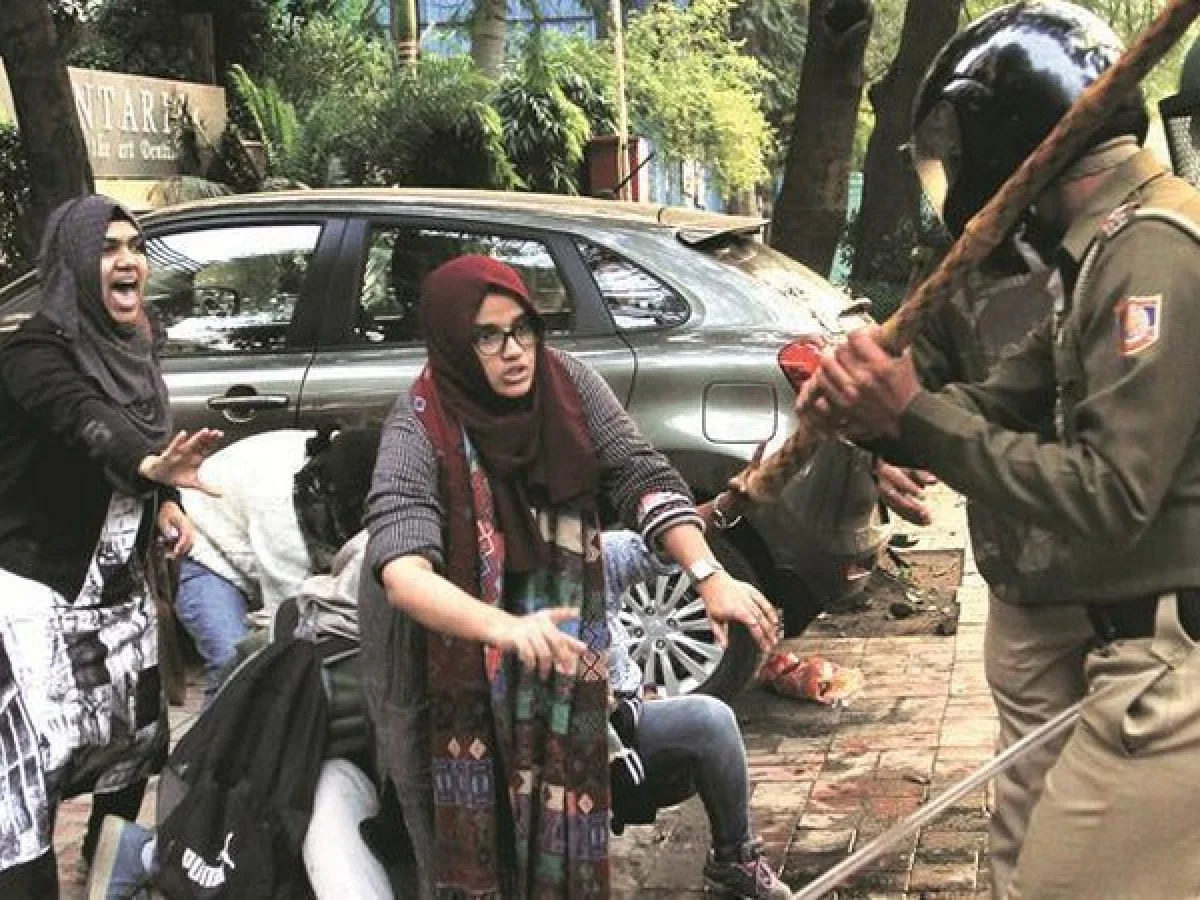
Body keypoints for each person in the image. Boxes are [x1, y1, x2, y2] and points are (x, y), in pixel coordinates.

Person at [803, 3, 1200, 897]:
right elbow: (1014, 388)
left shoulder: (1150, 252)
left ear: (1005, 139)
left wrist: (913, 415)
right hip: (1123, 638)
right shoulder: (1104, 250)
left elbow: (1111, 492)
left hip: (1166, 659)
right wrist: (884, 415)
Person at [361, 254, 781, 898]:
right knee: (472, 859)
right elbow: (402, 569)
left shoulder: (568, 385)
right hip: (456, 692)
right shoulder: (419, 427)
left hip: (570, 690)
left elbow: (640, 475)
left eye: (522, 328)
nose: (513, 351)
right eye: (487, 337)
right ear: (452, 344)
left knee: (570, 854)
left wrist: (707, 572)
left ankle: (732, 861)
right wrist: (503, 628)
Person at [0, 194, 220, 898]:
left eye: (135, 247)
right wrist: (149, 466)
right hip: (36, 596)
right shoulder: (33, 353)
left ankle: (107, 880)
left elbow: (147, 436)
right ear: (71, 262)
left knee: (131, 753)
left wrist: (167, 503)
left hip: (120, 600)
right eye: (107, 248)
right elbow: (86, 418)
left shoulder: (132, 347)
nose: (128, 261)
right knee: (28, 781)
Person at [904, 254, 1094, 898]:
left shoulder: (1149, 244)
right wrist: (886, 441)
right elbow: (913, 388)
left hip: (1158, 589)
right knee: (1033, 803)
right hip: (1028, 580)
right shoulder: (961, 262)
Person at [173, 426, 380, 704]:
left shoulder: (350, 466)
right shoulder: (280, 508)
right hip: (202, 545)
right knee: (234, 662)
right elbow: (287, 618)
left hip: (246, 535)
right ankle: (218, 730)